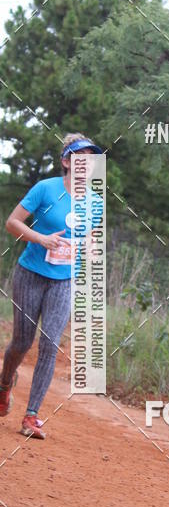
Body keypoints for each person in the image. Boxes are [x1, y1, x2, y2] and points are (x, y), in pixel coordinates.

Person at [0, 133, 103, 439]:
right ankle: (4, 383)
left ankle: (31, 416)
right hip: (31, 273)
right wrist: (41, 238)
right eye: (80, 157)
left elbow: (92, 240)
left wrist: (89, 250)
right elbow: (12, 222)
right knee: (22, 341)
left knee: (49, 343)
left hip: (65, 280)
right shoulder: (45, 188)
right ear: (66, 162)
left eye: (91, 159)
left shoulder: (96, 202)